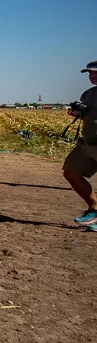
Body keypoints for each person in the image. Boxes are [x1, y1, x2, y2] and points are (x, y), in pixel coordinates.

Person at [63, 60, 97, 229]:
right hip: (88, 143)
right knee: (71, 171)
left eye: (95, 73)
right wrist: (77, 113)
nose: (91, 76)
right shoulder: (88, 94)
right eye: (90, 73)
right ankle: (94, 209)